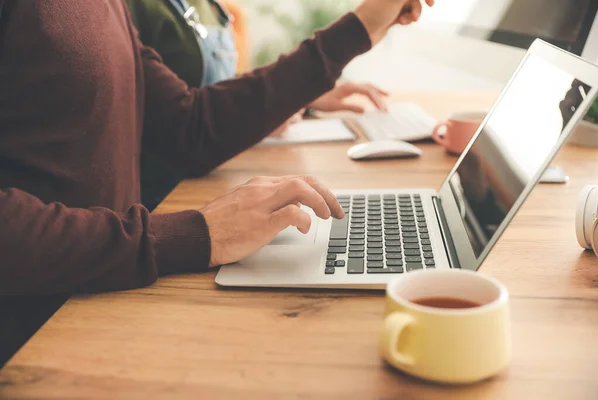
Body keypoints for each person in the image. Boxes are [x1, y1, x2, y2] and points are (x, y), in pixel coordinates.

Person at [0, 0, 433, 365]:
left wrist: (359, 29)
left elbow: (190, 128)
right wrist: (190, 234)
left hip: (103, 306)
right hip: (32, 347)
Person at [125, 0, 390, 210]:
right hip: (164, 207)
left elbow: (218, 95)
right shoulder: (128, 9)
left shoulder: (212, 6)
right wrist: (360, 27)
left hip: (215, 181)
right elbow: (186, 130)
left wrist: (305, 99)